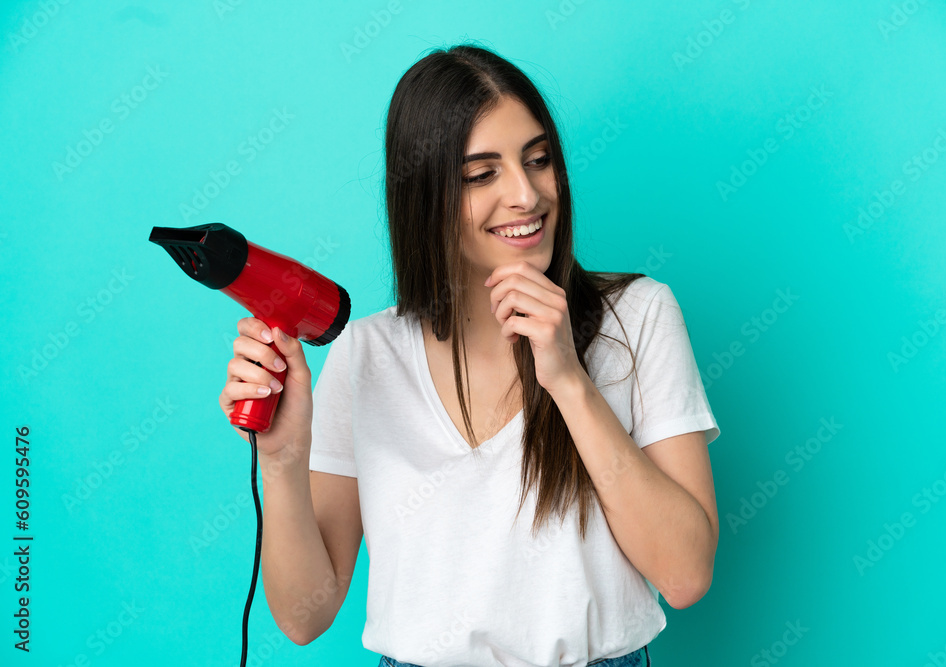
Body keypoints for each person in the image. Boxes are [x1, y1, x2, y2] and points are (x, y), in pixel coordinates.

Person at [219, 43, 720, 667]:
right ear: (423, 195)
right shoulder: (367, 353)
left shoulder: (639, 316)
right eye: (481, 174)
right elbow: (303, 616)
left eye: (538, 160)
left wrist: (568, 380)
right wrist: (282, 457)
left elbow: (685, 575)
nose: (526, 195)